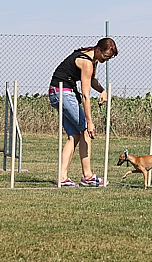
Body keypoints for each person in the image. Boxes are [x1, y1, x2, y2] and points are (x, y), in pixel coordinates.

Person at [49, 38, 118, 187]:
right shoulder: (86, 62)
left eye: (109, 58)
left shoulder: (91, 57)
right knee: (85, 129)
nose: (105, 60)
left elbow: (91, 80)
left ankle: (62, 178)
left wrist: (103, 90)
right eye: (105, 56)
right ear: (98, 49)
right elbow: (86, 95)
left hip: (55, 92)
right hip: (64, 93)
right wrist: (90, 122)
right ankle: (88, 176)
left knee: (74, 135)